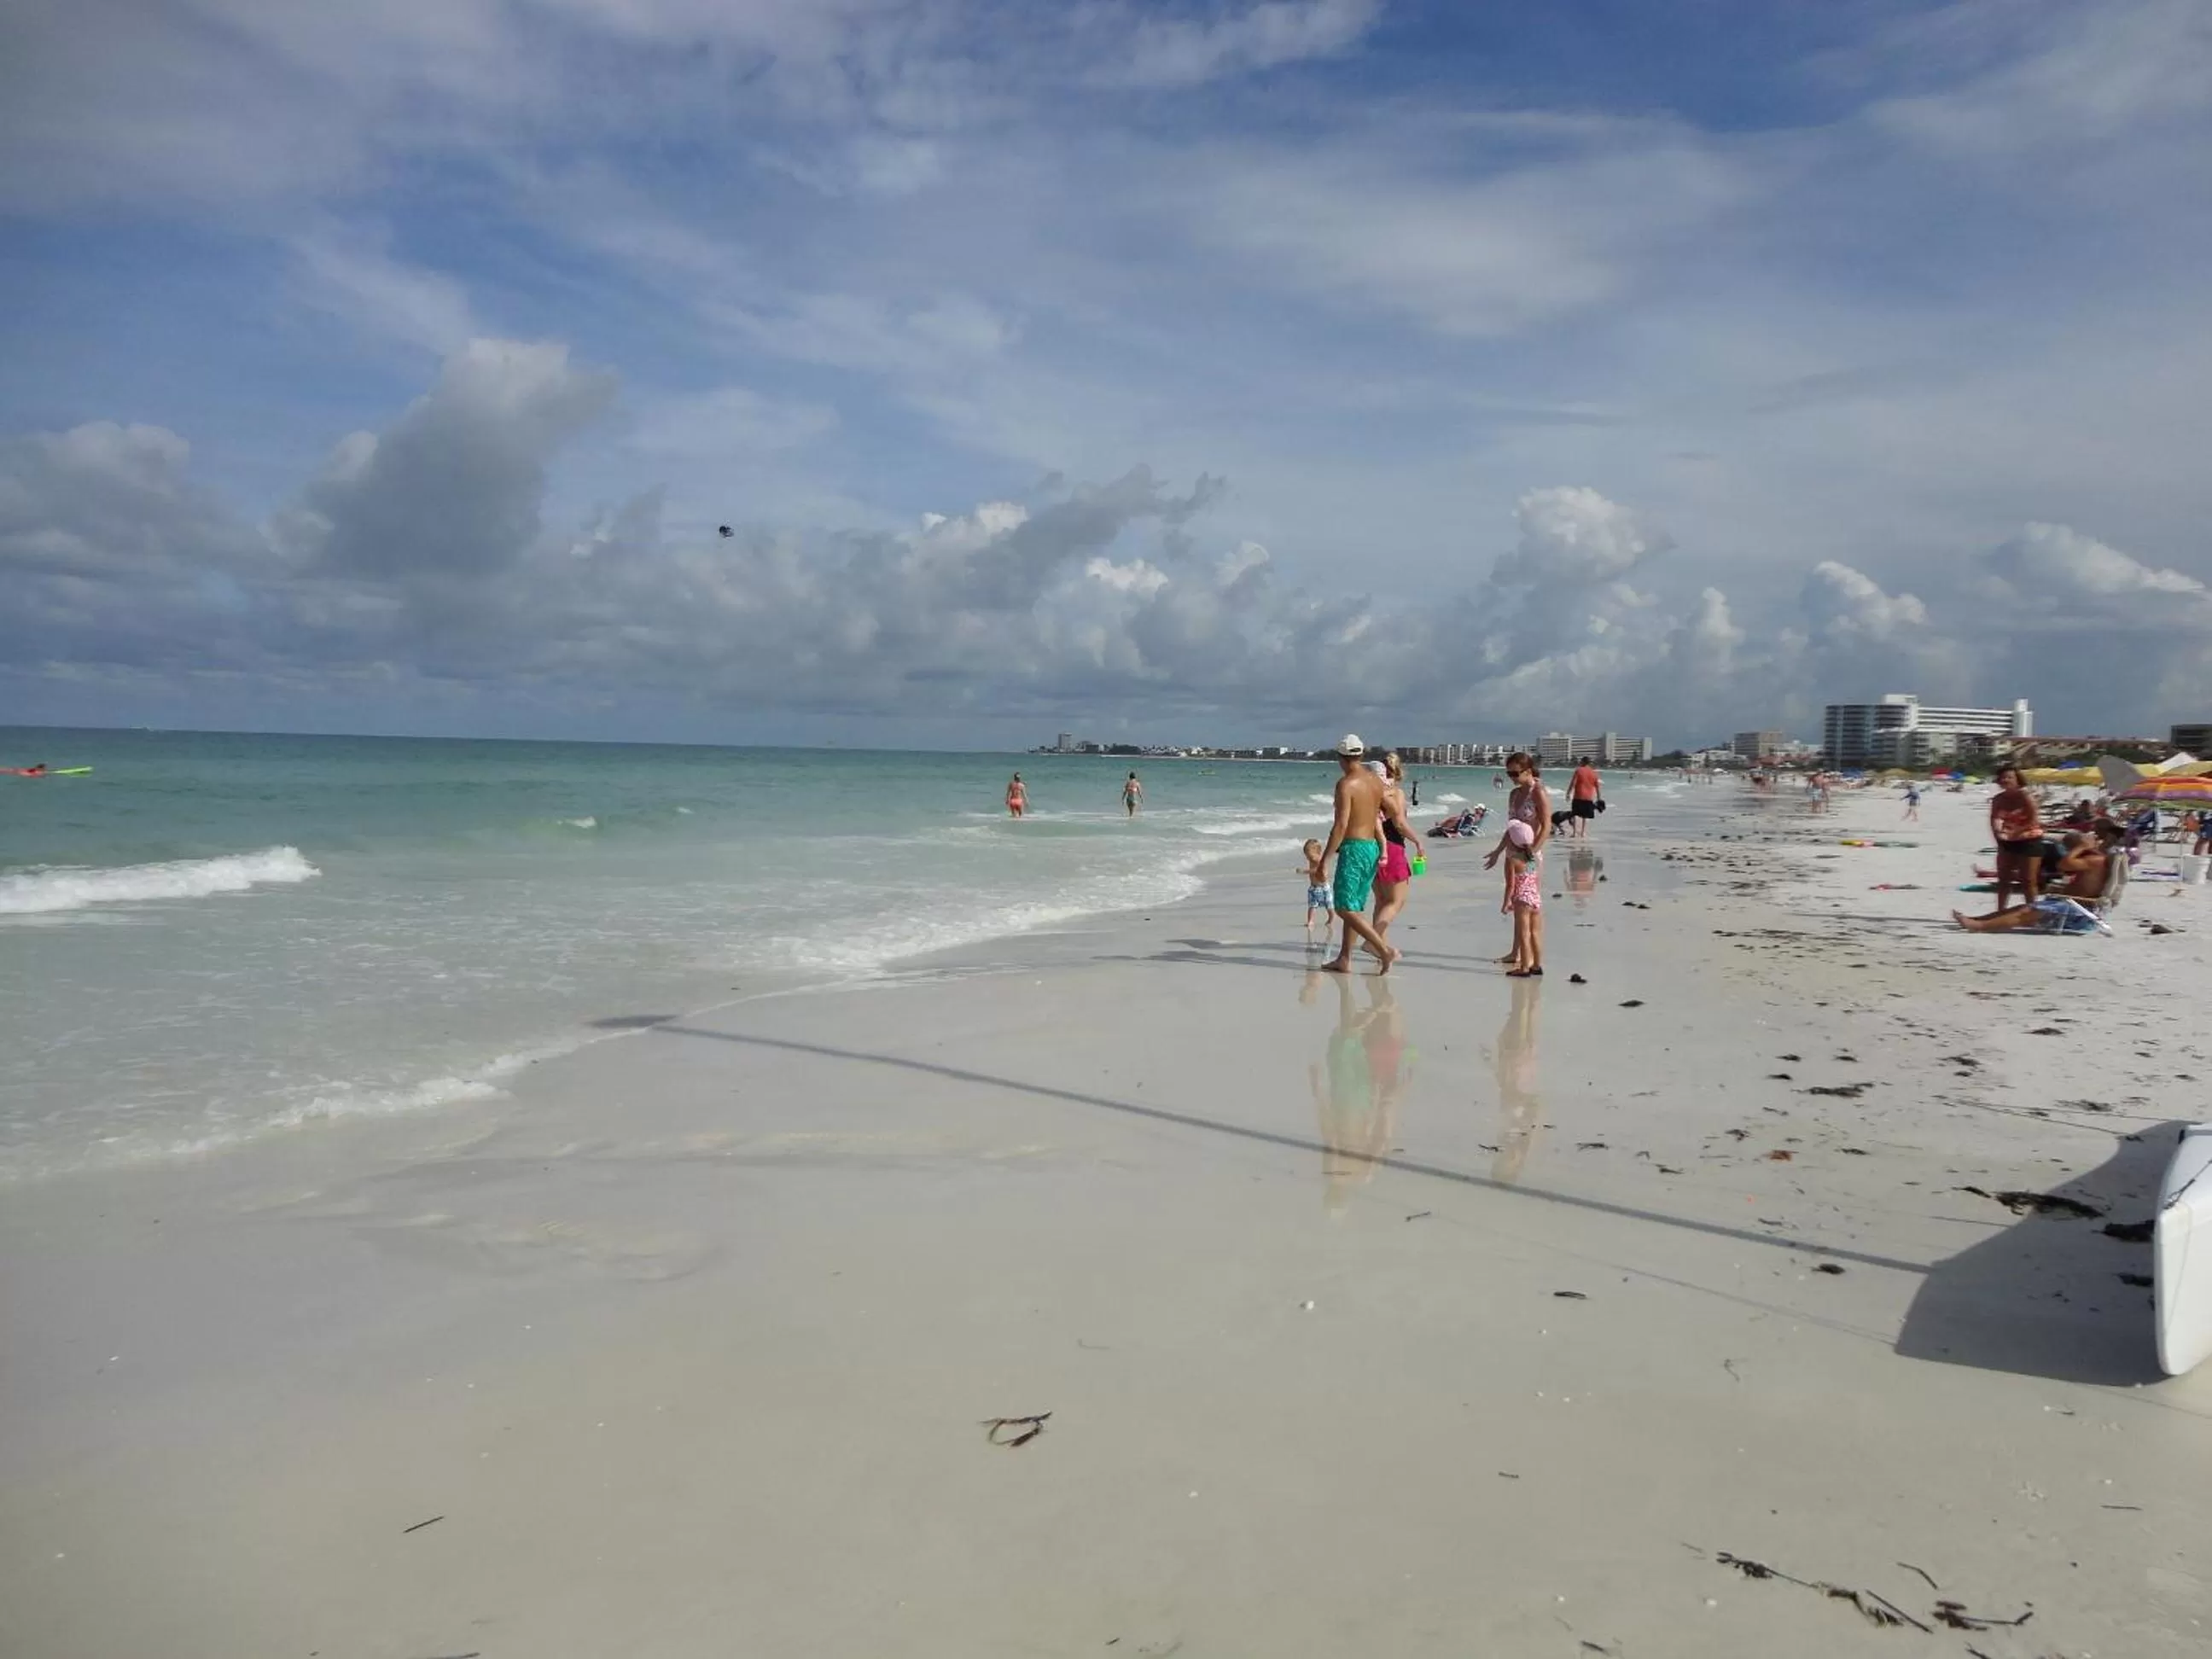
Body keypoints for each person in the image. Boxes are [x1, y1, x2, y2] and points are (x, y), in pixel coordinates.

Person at [1319, 735, 1399, 974]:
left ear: (1341, 758)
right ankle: (1345, 958)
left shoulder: (1346, 784)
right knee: (1354, 906)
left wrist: (1325, 860)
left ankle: (1383, 949)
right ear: (1361, 755)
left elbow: (1341, 825)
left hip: (1353, 848)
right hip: (1372, 847)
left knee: (1344, 908)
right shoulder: (1375, 780)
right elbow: (1393, 810)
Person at [1371, 752, 1427, 949]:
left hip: (1372, 847)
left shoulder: (1371, 792)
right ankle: (1373, 940)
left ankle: (1381, 947)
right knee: (1396, 901)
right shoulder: (1396, 793)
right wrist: (1418, 842)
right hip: (1392, 848)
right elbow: (1400, 824)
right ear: (1397, 772)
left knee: (1381, 901)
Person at [1493, 819, 1545, 975]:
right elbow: (1535, 880)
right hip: (1535, 898)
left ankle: (1524, 968)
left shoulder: (1512, 860)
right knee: (1535, 933)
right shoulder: (1533, 858)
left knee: (1524, 933)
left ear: (1512, 840)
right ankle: (1536, 965)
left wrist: (1505, 903)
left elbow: (1510, 885)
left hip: (1522, 900)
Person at [1988, 765, 2043, 911]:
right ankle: (2000, 911)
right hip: (2007, 841)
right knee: (2004, 879)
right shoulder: (1998, 799)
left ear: (2018, 780)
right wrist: (1998, 837)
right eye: (2003, 778)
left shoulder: (2025, 796)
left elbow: (2033, 818)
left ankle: (2032, 911)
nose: (2006, 780)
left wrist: (2017, 832)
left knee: (2028, 880)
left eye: (2009, 777)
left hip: (2029, 839)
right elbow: (1994, 818)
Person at [1301, 839, 1336, 946]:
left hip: (1324, 887)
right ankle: (1311, 920)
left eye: (1310, 856)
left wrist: (1305, 871)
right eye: (1306, 856)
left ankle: (1331, 917)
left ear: (1318, 853)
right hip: (1314, 887)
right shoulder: (1312, 860)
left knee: (1328, 905)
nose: (1308, 859)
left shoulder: (1321, 861)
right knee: (1312, 905)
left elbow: (1319, 871)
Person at [1568, 756, 1602, 838]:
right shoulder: (1594, 773)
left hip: (1578, 796)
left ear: (1582, 762)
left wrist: (1568, 793)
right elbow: (1597, 787)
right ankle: (1583, 833)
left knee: (1575, 814)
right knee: (1585, 816)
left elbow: (1573, 783)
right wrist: (1599, 798)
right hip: (1589, 798)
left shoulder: (1579, 770)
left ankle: (1575, 833)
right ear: (1590, 763)